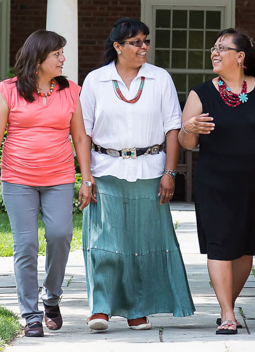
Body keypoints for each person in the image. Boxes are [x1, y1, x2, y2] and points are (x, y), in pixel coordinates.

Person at [78, 17, 195, 331]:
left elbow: (173, 127)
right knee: (105, 243)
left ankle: (137, 309)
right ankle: (100, 308)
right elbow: (83, 133)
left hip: (150, 171)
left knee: (141, 245)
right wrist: (86, 178)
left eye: (146, 40)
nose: (143, 47)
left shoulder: (160, 79)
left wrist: (170, 172)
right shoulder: (95, 81)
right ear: (118, 46)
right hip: (105, 170)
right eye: (135, 42)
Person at [0, 30, 92, 338]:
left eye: (62, 54)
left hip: (59, 177)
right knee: (26, 245)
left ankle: (51, 297)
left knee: (60, 235)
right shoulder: (9, 91)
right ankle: (30, 314)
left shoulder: (70, 91)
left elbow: (80, 137)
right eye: (57, 54)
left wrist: (87, 178)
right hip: (18, 179)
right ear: (38, 58)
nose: (63, 59)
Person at [179, 29, 255, 335]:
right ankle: (228, 314)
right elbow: (186, 142)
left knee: (245, 251)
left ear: (240, 57)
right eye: (213, 49)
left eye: (221, 48)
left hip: (254, 183)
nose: (214, 53)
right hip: (215, 183)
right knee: (220, 246)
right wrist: (189, 127)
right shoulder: (200, 94)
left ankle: (226, 303)